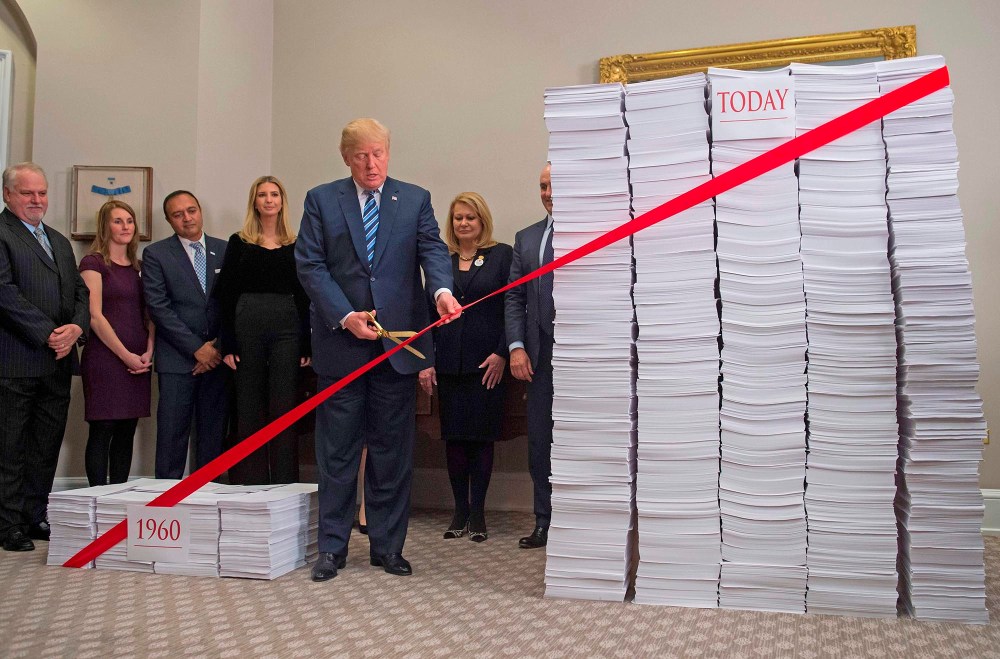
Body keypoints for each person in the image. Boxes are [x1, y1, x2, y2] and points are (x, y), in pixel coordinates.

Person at [296, 117, 460, 582]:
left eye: (379, 153)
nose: (372, 163)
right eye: (362, 155)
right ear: (346, 157)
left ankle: (388, 548)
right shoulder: (321, 200)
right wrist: (347, 316)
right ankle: (332, 548)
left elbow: (433, 253)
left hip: (398, 348)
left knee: (391, 454)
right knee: (338, 453)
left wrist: (442, 293)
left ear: (389, 153)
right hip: (341, 345)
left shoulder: (415, 199)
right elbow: (310, 265)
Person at [0, 162, 89, 552]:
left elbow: (80, 295)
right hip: (16, 361)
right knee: (11, 447)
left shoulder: (59, 240)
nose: (37, 200)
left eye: (42, 193)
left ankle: (35, 515)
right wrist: (48, 334)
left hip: (58, 361)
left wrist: (76, 329)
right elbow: (4, 293)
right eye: (27, 193)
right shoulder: (1, 234)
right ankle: (7, 525)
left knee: (45, 445)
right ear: (8, 195)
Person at [419, 192, 512, 543]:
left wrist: (503, 352)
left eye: (470, 218)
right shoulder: (441, 260)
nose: (463, 224)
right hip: (449, 364)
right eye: (458, 218)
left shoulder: (501, 255)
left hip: (487, 364)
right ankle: (459, 510)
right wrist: (427, 359)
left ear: (482, 220)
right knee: (454, 441)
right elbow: (429, 314)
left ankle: (478, 513)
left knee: (481, 440)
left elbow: (511, 306)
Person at [214, 176, 311, 485]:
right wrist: (226, 343)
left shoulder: (298, 243)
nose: (269, 200)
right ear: (254, 202)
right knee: (249, 406)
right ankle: (250, 483)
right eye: (262, 195)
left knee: (284, 406)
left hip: (288, 328)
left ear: (282, 201)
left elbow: (305, 296)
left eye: (274, 194)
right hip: (247, 327)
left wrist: (307, 345)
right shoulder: (238, 242)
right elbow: (226, 294)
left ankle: (285, 483)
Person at [142, 191, 230, 479]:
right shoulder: (156, 254)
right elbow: (159, 307)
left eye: (191, 210)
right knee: (171, 438)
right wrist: (196, 349)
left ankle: (208, 503)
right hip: (177, 362)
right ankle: (166, 509)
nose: (187, 218)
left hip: (218, 361)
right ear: (169, 220)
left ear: (200, 211)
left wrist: (214, 348)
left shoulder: (226, 249)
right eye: (178, 214)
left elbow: (234, 304)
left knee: (213, 437)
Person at [79, 200, 154, 486]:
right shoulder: (94, 263)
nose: (125, 227)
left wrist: (148, 351)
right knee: (103, 429)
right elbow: (95, 316)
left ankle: (119, 499)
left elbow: (150, 315)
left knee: (126, 430)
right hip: (106, 359)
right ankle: (96, 500)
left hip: (139, 360)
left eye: (129, 221)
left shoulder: (140, 266)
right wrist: (125, 356)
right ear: (105, 226)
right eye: (118, 221)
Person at [505, 163, 556, 549]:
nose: (547, 193)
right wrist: (516, 347)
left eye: (553, 186)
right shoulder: (527, 239)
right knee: (539, 441)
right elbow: (514, 298)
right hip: (539, 356)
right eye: (541, 186)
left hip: (587, 357)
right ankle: (543, 519)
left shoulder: (594, 230)